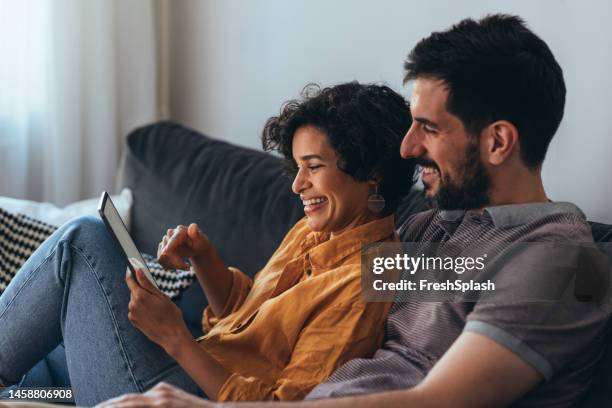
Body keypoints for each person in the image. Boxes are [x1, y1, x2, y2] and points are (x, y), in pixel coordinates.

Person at [99, 14, 610, 408]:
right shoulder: (438, 230)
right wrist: (207, 270)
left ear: (498, 141)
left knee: (81, 250)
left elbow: (437, 402)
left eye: (428, 129)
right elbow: (299, 305)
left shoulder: (562, 263)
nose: (407, 149)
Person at [0, 83, 416, 406]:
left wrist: (174, 337)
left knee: (83, 241)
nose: (296, 184)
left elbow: (283, 405)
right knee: (34, 379)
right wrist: (203, 259)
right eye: (297, 166)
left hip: (188, 397)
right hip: (183, 369)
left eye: (314, 167)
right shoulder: (316, 230)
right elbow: (245, 319)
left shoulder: (365, 281)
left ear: (371, 172)